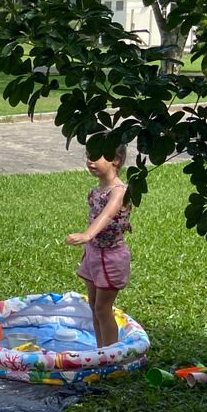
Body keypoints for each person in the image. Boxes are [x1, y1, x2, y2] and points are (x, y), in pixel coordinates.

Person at [65, 145, 132, 348]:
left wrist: (87, 234)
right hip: (94, 254)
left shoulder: (119, 191)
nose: (90, 161)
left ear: (116, 160)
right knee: (94, 306)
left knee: (103, 308)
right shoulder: (96, 191)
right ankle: (100, 349)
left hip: (111, 257)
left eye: (96, 156)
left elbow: (108, 214)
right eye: (88, 156)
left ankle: (110, 354)